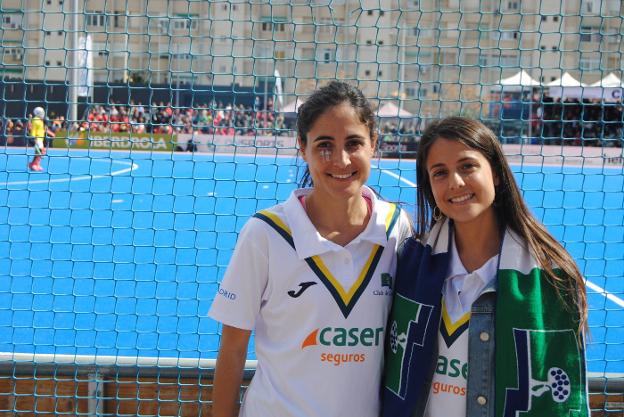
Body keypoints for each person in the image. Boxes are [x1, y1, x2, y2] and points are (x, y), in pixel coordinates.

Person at [208, 81, 413, 417]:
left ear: (374, 144)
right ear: (302, 147)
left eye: (354, 143)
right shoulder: (265, 234)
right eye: (324, 145)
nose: (341, 159)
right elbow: (232, 349)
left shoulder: (395, 229)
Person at [382, 117, 588, 417]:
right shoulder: (410, 264)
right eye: (440, 173)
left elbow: (564, 402)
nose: (455, 182)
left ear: (496, 174)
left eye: (467, 166)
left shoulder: (551, 277)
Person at [28, 107, 55, 172]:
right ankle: (34, 164)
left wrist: (51, 133)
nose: (42, 114)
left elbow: (44, 129)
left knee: (39, 152)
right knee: (40, 152)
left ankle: (35, 164)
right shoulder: (36, 120)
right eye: (41, 112)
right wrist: (33, 138)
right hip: (37, 138)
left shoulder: (40, 120)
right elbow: (32, 128)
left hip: (40, 138)